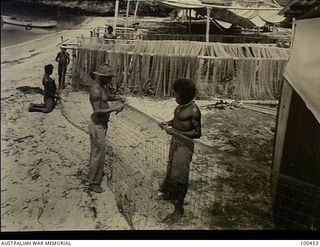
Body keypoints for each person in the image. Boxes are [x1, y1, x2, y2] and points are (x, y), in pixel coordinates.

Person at [158, 78, 202, 224]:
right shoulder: (180, 107)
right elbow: (176, 120)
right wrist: (167, 123)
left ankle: (179, 208)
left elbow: (197, 133)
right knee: (172, 169)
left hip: (184, 146)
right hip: (175, 141)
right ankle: (171, 194)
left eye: (176, 95)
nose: (174, 97)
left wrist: (176, 133)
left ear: (183, 95)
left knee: (181, 176)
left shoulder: (194, 110)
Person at [88, 63, 125, 193]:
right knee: (99, 153)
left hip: (102, 125)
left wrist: (116, 98)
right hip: (97, 125)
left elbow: (106, 97)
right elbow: (97, 110)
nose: (110, 79)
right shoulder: (96, 90)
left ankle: (94, 175)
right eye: (108, 77)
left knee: (97, 152)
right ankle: (93, 183)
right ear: (102, 77)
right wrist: (114, 108)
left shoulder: (102, 87)